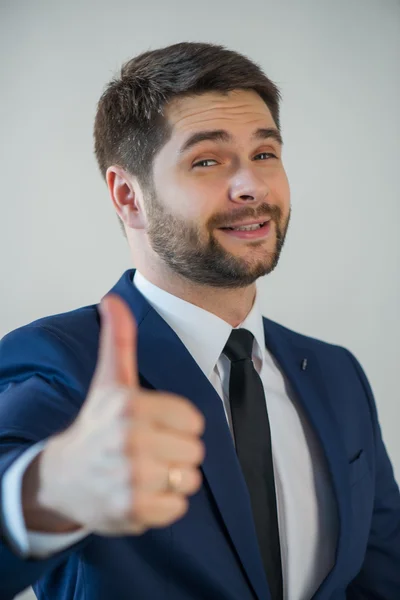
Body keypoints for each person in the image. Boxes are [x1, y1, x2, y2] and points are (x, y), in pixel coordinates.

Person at [0, 41, 399, 600]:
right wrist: (49, 492)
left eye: (265, 154)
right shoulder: (59, 363)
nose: (253, 187)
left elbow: (381, 580)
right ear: (128, 196)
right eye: (207, 161)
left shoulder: (336, 375)